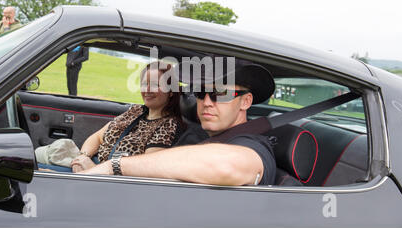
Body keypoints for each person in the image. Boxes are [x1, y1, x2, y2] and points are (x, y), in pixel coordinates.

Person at [79, 58, 277, 186]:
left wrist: (114, 166)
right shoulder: (196, 135)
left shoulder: (253, 145)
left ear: (246, 101)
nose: (207, 102)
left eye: (220, 93)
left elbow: (225, 166)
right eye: (201, 93)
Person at [37, 61, 184, 173]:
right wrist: (83, 157)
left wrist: (93, 169)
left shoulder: (168, 126)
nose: (147, 90)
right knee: (34, 159)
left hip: (106, 180)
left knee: (34, 170)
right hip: (89, 166)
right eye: (144, 84)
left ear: (170, 91)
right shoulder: (136, 111)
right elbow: (98, 137)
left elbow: (145, 171)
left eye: (155, 84)